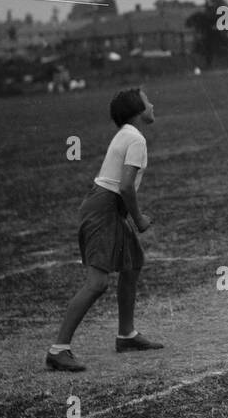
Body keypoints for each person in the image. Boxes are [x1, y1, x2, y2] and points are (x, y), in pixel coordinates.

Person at [46, 87, 164, 371]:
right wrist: (138, 219)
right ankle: (58, 349)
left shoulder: (127, 134)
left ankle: (126, 335)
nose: (152, 105)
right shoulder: (135, 139)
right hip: (105, 208)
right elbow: (124, 186)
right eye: (148, 102)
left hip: (108, 206)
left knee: (133, 263)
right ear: (137, 111)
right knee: (97, 283)